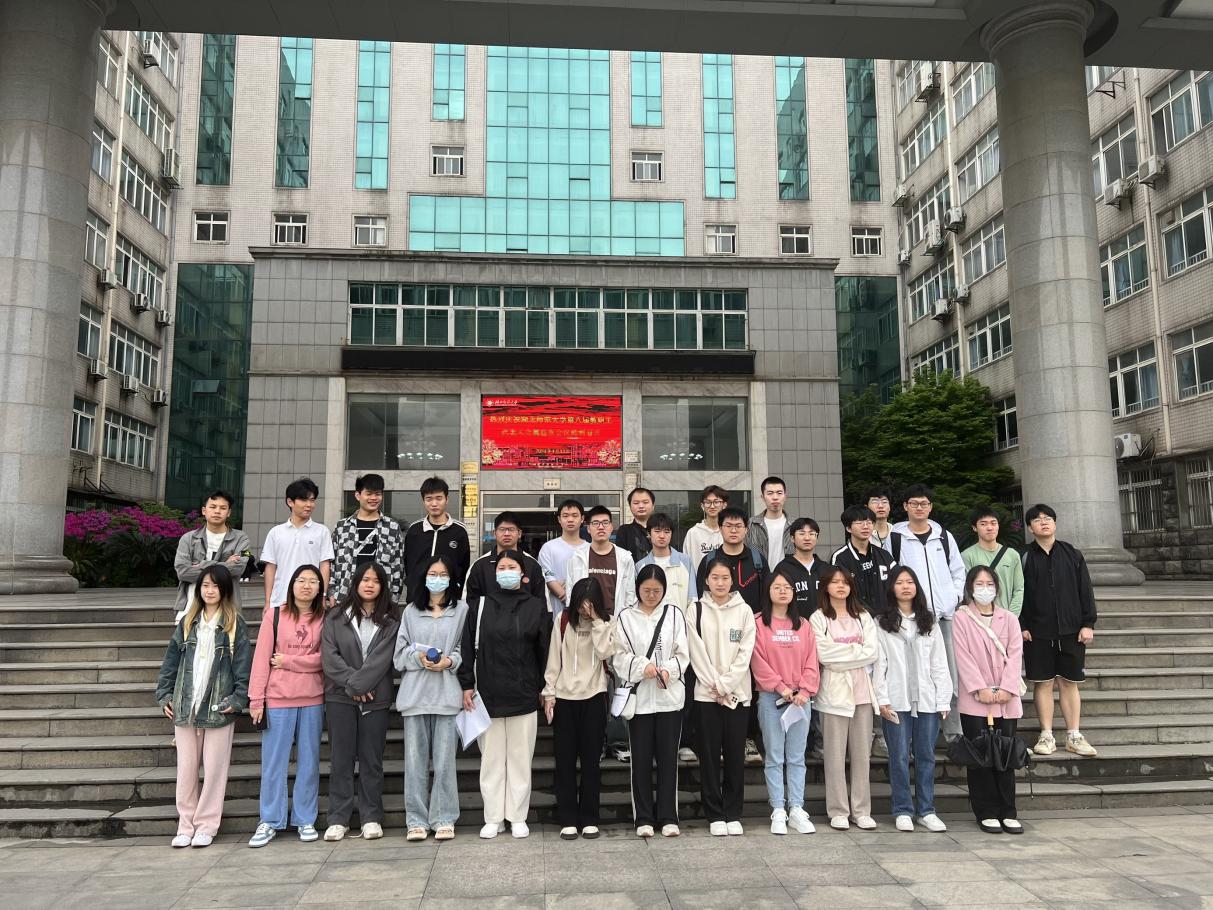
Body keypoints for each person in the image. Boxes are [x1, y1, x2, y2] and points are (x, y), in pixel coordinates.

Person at [156, 564, 251, 848]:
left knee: (214, 770)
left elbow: (243, 667)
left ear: (225, 590)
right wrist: (164, 695)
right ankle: (185, 825)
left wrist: (238, 700)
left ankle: (207, 826)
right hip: (186, 707)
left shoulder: (234, 624)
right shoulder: (188, 622)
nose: (210, 591)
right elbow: (170, 663)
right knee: (186, 771)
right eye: (205, 585)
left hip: (219, 708)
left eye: (215, 585)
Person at [458, 549, 550, 839]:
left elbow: (545, 651)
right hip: (488, 693)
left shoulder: (535, 607)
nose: (506, 572)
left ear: (523, 574)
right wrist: (467, 684)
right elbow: (466, 647)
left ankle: (517, 816)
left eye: (512, 567)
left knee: (521, 759)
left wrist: (544, 687)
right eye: (501, 568)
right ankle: (494, 817)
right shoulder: (479, 606)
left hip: (524, 693)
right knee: (492, 760)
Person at [247, 564, 327, 847]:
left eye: (313, 581)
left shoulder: (324, 617)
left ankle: (305, 818)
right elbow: (261, 659)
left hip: (313, 698)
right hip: (278, 699)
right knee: (273, 763)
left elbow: (324, 659)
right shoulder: (275, 615)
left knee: (309, 762)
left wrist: (288, 661)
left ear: (320, 588)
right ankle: (270, 820)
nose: (307, 586)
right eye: (301, 580)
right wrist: (256, 699)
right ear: (291, 584)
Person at [320, 561, 400, 842]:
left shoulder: (391, 619)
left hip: (376, 699)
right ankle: (338, 818)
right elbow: (330, 657)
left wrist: (360, 685)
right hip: (339, 698)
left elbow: (382, 659)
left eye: (375, 581)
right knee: (340, 759)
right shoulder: (336, 616)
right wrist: (353, 685)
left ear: (382, 586)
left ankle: (371, 817)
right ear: (355, 583)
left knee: (371, 760)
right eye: (365, 579)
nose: (369, 585)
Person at [395, 554, 468, 842]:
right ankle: (416, 819)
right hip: (415, 696)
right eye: (432, 574)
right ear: (423, 577)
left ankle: (444, 817)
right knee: (414, 763)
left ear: (451, 578)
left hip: (447, 696)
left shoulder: (461, 610)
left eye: (443, 574)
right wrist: (418, 658)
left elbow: (465, 649)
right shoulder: (410, 612)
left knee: (445, 762)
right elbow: (399, 655)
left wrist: (450, 662)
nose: (437, 579)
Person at [874, 566, 952, 833]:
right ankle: (902, 809)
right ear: (891, 588)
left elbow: (939, 663)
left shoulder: (928, 621)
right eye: (899, 582)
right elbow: (879, 664)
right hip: (896, 699)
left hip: (928, 700)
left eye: (910, 582)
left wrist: (943, 698)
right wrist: (882, 699)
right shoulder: (882, 622)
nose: (905, 587)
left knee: (926, 756)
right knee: (897, 756)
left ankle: (926, 810)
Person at [614, 565, 690, 838]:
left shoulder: (674, 614)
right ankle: (643, 817)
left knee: (668, 760)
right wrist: (641, 666)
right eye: (646, 590)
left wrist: (669, 670)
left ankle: (669, 816)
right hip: (640, 701)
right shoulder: (625, 617)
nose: (651, 595)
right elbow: (618, 656)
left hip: (669, 698)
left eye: (657, 591)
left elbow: (683, 653)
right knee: (641, 760)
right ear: (637, 589)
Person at [1020, 504, 1098, 758]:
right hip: (1037, 631)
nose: (1043, 522)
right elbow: (1017, 593)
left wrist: (1088, 623)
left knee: (1069, 682)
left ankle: (1074, 735)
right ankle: (1046, 735)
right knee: (1042, 682)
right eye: (1037, 519)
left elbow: (1085, 589)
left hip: (1071, 629)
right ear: (1030, 527)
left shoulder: (1072, 554)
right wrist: (1022, 625)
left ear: (1055, 523)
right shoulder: (1023, 556)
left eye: (1048, 518)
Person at [890, 484, 966, 740]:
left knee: (949, 675)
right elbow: (893, 576)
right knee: (913, 674)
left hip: (944, 618)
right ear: (905, 506)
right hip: (912, 617)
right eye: (914, 503)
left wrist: (953, 599)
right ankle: (916, 737)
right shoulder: (896, 537)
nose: (919, 508)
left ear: (931, 507)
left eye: (924, 503)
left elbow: (958, 571)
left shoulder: (943, 536)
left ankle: (953, 735)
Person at [953, 565, 1025, 834]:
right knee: (980, 754)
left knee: (1005, 753)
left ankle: (1008, 810)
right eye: (979, 584)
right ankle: (985, 811)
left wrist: (1007, 688)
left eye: (989, 584)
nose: (985, 589)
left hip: (1006, 698)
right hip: (976, 698)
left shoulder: (1010, 618)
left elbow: (1015, 654)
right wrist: (979, 688)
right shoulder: (962, 617)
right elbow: (962, 655)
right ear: (970, 588)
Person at [687, 556, 756, 836]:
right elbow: (696, 652)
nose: (720, 582)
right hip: (707, 695)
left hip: (737, 695)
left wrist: (726, 685)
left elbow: (745, 652)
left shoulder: (744, 610)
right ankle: (714, 813)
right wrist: (714, 685)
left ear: (732, 580)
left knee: (735, 756)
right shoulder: (695, 609)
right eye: (714, 577)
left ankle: (733, 812)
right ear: (706, 579)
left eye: (725, 577)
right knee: (709, 756)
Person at [810, 565, 881, 831]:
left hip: (862, 694)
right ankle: (838, 810)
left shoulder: (863, 616)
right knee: (834, 756)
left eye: (845, 582)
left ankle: (861, 810)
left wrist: (842, 654)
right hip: (833, 695)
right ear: (826, 587)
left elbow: (872, 652)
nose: (840, 586)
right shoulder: (818, 617)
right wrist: (855, 651)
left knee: (862, 756)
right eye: (835, 582)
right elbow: (823, 655)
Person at [543, 577, 614, 839]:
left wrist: (596, 621)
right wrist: (549, 693)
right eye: (581, 605)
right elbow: (554, 658)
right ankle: (568, 818)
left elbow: (606, 653)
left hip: (594, 696)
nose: (585, 610)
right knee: (564, 761)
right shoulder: (562, 621)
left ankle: (590, 817)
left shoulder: (607, 622)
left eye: (590, 605)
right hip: (564, 697)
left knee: (591, 761)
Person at [696, 505, 767, 764]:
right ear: (721, 528)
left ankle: (748, 737)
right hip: (713, 632)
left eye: (739, 526)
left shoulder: (757, 559)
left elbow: (766, 595)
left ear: (746, 529)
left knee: (749, 684)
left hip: (748, 631)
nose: (734, 530)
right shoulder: (709, 560)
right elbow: (700, 597)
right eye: (728, 525)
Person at [566, 505, 637, 762]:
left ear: (612, 526)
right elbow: (572, 591)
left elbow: (630, 595)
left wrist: (622, 625)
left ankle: (618, 741)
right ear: (588, 527)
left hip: (615, 626)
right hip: (587, 627)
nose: (601, 527)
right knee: (593, 688)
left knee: (618, 684)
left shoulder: (624, 557)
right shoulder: (577, 557)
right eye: (595, 523)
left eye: (605, 522)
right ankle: (594, 743)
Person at [751, 571, 819, 835]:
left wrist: (805, 690)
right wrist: (781, 687)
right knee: (774, 757)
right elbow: (757, 661)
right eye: (777, 587)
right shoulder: (759, 623)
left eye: (787, 587)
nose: (783, 591)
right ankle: (778, 808)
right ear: (768, 591)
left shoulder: (803, 624)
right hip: (772, 699)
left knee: (797, 757)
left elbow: (812, 660)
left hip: (801, 700)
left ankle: (797, 808)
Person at [173, 490, 251, 623]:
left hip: (227, 609)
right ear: (204, 510)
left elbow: (238, 568)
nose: (217, 511)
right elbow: (182, 572)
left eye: (223, 508)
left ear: (229, 512)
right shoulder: (188, 538)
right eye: (213, 507)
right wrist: (224, 565)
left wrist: (201, 565)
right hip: (189, 608)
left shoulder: (242, 539)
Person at [329, 473, 405, 606]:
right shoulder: (342, 527)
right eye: (369, 494)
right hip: (345, 596)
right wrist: (332, 593)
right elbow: (332, 563)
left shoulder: (392, 527)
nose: (374, 498)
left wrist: (393, 598)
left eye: (378, 494)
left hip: (381, 600)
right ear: (358, 495)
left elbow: (398, 565)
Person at [260, 478, 334, 613]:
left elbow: (324, 566)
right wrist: (268, 601)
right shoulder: (275, 533)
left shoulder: (322, 531)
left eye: (312, 500)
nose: (309, 505)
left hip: (311, 601)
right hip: (280, 600)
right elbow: (270, 567)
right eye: (304, 500)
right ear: (290, 502)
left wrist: (323, 596)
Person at [404, 476, 471, 604]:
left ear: (447, 499)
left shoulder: (459, 531)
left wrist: (457, 589)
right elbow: (408, 563)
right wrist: (413, 584)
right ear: (423, 501)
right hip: (417, 596)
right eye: (429, 499)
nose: (434, 503)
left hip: (449, 598)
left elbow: (463, 565)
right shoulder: (414, 530)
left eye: (439, 498)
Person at [464, 511, 547, 602]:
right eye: (502, 529)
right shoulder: (479, 565)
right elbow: (468, 602)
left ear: (519, 533)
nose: (507, 533)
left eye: (511, 529)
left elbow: (542, 602)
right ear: (494, 533)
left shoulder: (532, 564)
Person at [830, 505, 896, 614]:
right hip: (855, 617)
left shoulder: (883, 555)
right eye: (859, 523)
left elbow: (896, 583)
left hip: (885, 618)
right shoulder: (840, 558)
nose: (865, 526)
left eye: (869, 522)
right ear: (848, 528)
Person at [962, 506, 1024, 616]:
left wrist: (1011, 617)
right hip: (979, 618)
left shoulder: (1012, 555)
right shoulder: (967, 556)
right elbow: (967, 591)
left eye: (993, 523)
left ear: (998, 526)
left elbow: (1019, 589)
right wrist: (977, 617)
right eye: (983, 524)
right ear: (974, 528)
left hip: (1007, 616)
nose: (989, 528)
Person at [635, 512, 697, 612]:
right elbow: (638, 601)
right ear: (649, 533)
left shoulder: (685, 561)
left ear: (671, 534)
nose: (662, 536)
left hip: (681, 620)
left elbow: (693, 599)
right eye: (657, 531)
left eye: (667, 532)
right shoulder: (640, 566)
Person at [538, 498, 588, 621]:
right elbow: (547, 575)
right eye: (565, 516)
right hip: (558, 613)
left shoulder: (589, 548)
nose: (570, 519)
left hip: (586, 609)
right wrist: (565, 594)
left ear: (582, 519)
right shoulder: (549, 548)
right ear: (559, 519)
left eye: (575, 516)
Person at [776, 517, 828, 615]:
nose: (807, 538)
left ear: (817, 538)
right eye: (802, 533)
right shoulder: (783, 568)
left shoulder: (826, 569)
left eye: (811, 534)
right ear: (792, 538)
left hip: (823, 623)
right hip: (795, 623)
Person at [746, 476, 793, 569]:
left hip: (789, 576)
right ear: (763, 497)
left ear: (785, 496)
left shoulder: (795, 525)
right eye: (770, 493)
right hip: (759, 575)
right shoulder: (750, 524)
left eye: (779, 493)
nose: (775, 497)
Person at [683, 485, 729, 573]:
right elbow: (686, 564)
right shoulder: (693, 533)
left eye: (716, 502)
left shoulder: (729, 531)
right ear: (702, 505)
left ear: (724, 505)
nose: (712, 506)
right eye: (708, 502)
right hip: (699, 580)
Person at [615, 486, 655, 562]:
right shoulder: (624, 531)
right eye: (636, 503)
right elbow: (620, 559)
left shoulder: (662, 530)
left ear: (653, 505)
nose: (641, 506)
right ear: (630, 506)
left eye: (645, 502)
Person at [865, 486, 895, 552]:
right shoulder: (862, 534)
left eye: (884, 502)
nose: (880, 506)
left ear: (889, 507)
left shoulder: (897, 532)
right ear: (866, 507)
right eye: (875, 502)